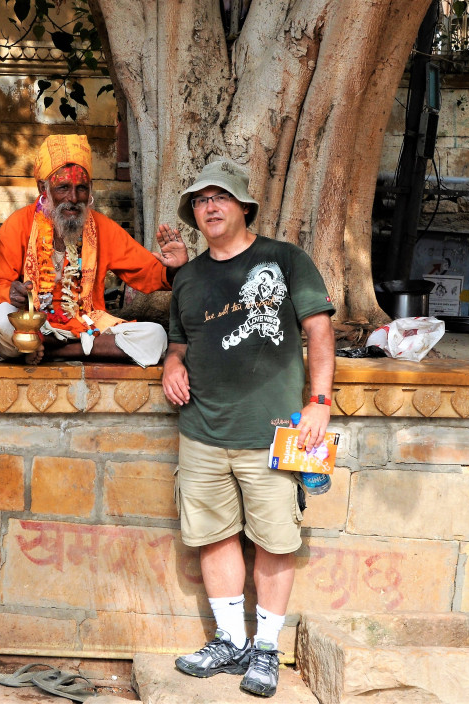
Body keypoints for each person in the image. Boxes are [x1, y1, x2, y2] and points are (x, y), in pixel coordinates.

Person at [162, 159, 335, 698]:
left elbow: (319, 330)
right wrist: (171, 363)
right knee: (212, 537)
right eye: (200, 200)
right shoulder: (187, 277)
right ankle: (229, 640)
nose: (209, 207)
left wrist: (321, 402)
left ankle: (266, 648)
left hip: (273, 430)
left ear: (243, 207)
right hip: (202, 432)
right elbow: (179, 339)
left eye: (220, 197)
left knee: (276, 542)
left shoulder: (285, 260)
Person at [0, 134, 187, 365]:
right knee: (1, 318)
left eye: (81, 188)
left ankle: (54, 352)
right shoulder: (18, 224)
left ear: (90, 189)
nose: (74, 198)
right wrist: (11, 293)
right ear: (43, 188)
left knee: (155, 336)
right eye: (63, 187)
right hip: (36, 324)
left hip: (84, 326)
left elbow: (147, 271)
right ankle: (42, 346)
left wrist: (174, 269)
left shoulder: (100, 226)